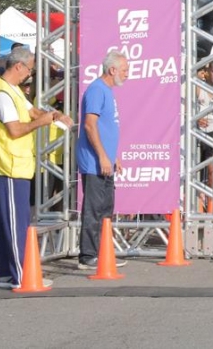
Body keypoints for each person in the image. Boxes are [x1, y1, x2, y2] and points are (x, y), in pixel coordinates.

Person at [0, 48, 71, 289]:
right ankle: (22, 275)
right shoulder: (2, 94)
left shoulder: (13, 90)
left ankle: (6, 274)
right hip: (10, 164)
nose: (30, 74)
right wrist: (42, 122)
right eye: (30, 69)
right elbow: (15, 130)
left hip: (20, 164)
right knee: (16, 225)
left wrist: (53, 115)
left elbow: (32, 111)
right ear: (18, 66)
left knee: (11, 222)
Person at [76, 50, 129, 270]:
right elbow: (90, 125)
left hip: (105, 160)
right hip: (94, 162)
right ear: (112, 69)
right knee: (94, 209)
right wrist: (102, 156)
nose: (127, 74)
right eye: (124, 70)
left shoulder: (107, 91)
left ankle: (103, 253)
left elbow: (105, 128)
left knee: (106, 208)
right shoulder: (97, 90)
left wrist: (112, 156)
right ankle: (88, 255)